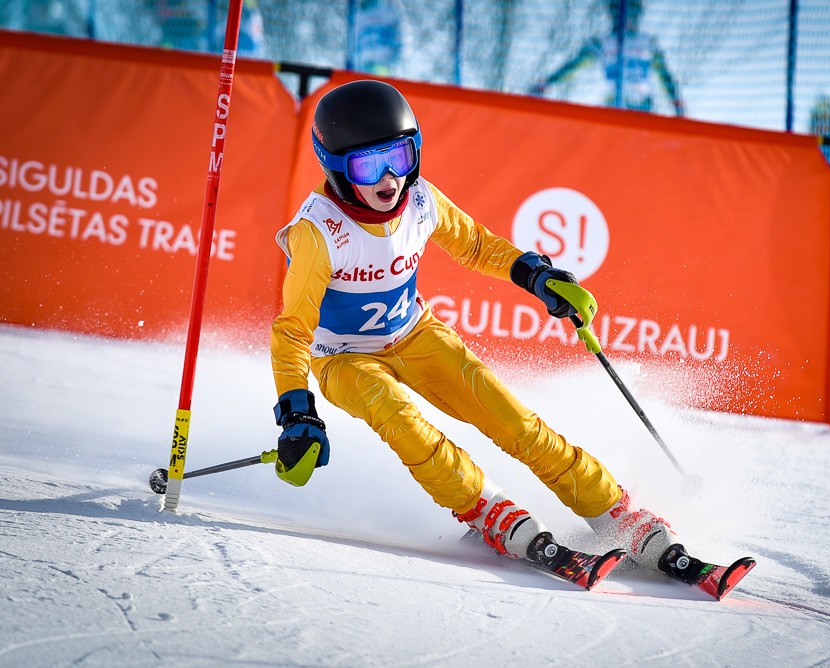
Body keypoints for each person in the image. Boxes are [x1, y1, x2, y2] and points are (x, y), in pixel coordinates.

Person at [269, 79, 699, 583]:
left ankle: (611, 509)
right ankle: (486, 510)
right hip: (343, 356)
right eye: (368, 166)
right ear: (337, 168)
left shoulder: (420, 200)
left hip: (415, 334)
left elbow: (474, 245)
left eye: (400, 157)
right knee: (399, 418)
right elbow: (292, 331)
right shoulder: (318, 232)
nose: (389, 178)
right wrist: (297, 411)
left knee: (510, 418)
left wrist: (535, 275)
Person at [529, 0, 684, 115]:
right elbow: (575, 65)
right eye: (622, 15)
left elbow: (665, 75)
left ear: (637, 16)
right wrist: (549, 82)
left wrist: (675, 101)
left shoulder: (646, 43)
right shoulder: (604, 42)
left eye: (632, 15)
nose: (627, 20)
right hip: (614, 103)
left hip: (642, 105)